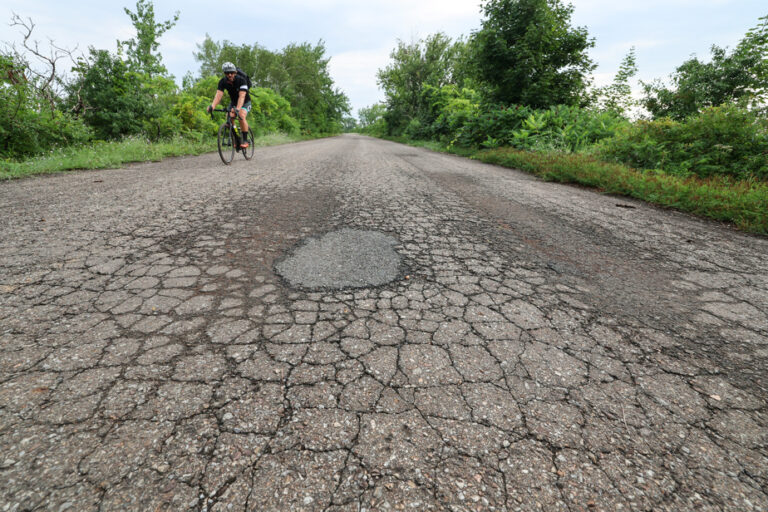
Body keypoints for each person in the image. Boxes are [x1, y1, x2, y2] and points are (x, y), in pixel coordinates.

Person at [207, 62, 251, 148]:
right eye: (227, 73)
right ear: (224, 73)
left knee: (241, 115)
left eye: (231, 72)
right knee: (229, 117)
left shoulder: (241, 80)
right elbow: (219, 95)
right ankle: (237, 139)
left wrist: (238, 109)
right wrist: (212, 106)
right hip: (233, 102)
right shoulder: (223, 82)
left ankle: (245, 140)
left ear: (235, 72)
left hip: (245, 102)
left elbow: (242, 96)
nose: (230, 75)